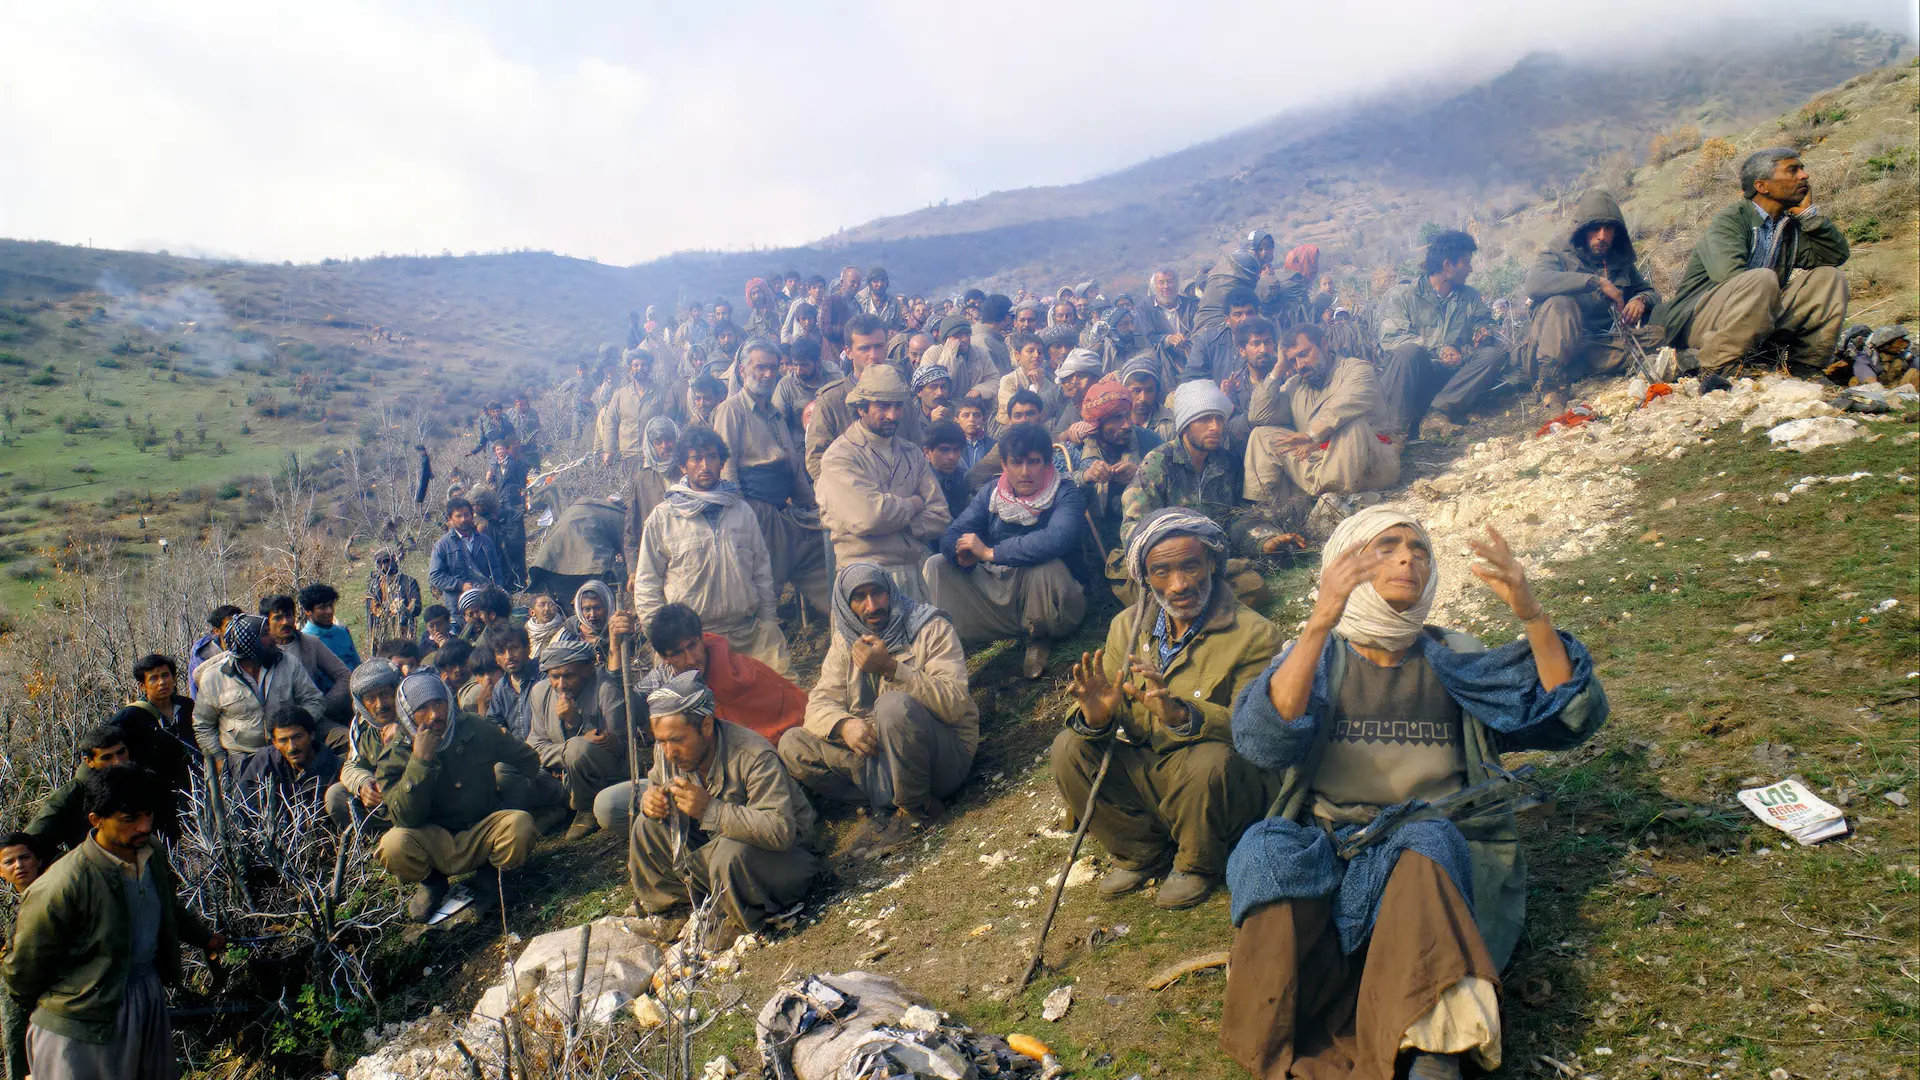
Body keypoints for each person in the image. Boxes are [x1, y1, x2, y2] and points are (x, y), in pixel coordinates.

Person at [1219, 509, 1608, 1080]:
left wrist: (1531, 612)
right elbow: (1264, 738)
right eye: (1387, 546)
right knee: (1267, 852)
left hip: (1443, 841)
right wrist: (1322, 620)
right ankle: (1280, 1035)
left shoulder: (1453, 653)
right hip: (1330, 842)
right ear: (1345, 564)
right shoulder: (1318, 656)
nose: (1408, 558)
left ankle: (1436, 1048)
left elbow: (1569, 713)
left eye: (1418, 548)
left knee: (1424, 845)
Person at [1051, 509, 1282, 910]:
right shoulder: (1127, 627)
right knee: (1068, 747)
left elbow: (1258, 732)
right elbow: (1108, 711)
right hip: (1157, 772)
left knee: (1209, 759)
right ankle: (1141, 852)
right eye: (1161, 572)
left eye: (1190, 566)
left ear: (1211, 562)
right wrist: (1098, 716)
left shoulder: (1255, 635)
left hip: (1220, 784)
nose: (1178, 585)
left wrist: (1181, 715)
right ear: (1145, 576)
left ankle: (1197, 863)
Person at [2, 766, 223, 1080]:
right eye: (130, 818)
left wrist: (205, 937)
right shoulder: (63, 884)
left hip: (145, 998)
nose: (145, 826)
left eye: (148, 814)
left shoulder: (151, 854)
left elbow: (165, 905)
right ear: (96, 820)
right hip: (82, 1018)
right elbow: (23, 970)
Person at [779, 563, 976, 860]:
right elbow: (818, 703)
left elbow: (954, 704)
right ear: (846, 605)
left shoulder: (929, 628)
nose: (872, 606)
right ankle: (889, 800)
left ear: (891, 592)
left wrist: (892, 669)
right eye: (860, 598)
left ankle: (914, 811)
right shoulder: (846, 641)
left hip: (943, 757)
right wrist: (845, 725)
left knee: (893, 705)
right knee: (792, 744)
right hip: (881, 756)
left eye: (878, 593)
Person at [627, 672, 819, 949]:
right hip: (715, 853)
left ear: (706, 726)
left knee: (729, 853)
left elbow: (780, 830)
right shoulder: (667, 752)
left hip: (782, 860)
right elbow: (657, 782)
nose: (669, 753)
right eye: (661, 741)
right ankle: (679, 910)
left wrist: (709, 810)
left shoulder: (753, 755)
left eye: (677, 740)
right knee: (646, 828)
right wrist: (651, 801)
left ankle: (739, 918)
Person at [592, 605, 809, 832]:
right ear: (665, 658)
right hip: (682, 779)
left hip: (738, 783)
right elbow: (623, 714)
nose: (691, 658)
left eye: (693, 645)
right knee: (609, 805)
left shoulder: (742, 673)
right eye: (677, 653)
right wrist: (616, 652)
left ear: (701, 638)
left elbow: (787, 723)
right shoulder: (662, 682)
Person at [1652, 148, 1850, 375]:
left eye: (1802, 169)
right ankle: (1718, 364)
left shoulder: (1788, 227)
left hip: (1755, 316)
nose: (1804, 176)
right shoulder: (1731, 220)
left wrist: (1809, 216)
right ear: (1762, 187)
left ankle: (1806, 367)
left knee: (1830, 278)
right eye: (1792, 170)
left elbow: (1835, 256)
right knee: (1762, 279)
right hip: (1700, 321)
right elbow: (1728, 276)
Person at [371, 673, 545, 920]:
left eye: (439, 703)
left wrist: (511, 803)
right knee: (392, 845)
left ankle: (492, 874)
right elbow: (404, 818)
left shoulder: (476, 727)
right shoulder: (395, 755)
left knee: (519, 824)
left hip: (482, 829)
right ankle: (432, 883)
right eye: (423, 708)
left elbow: (527, 760)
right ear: (408, 714)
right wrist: (419, 762)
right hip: (433, 839)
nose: (435, 714)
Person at [927, 422, 1089, 678]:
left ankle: (1039, 636)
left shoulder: (1066, 493)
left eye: (1034, 462)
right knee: (937, 565)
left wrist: (991, 553)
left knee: (1046, 567)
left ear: (1048, 464)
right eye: (1016, 463)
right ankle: (948, 645)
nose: (1025, 472)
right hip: (1004, 586)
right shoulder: (992, 493)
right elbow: (952, 532)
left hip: (1050, 596)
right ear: (1003, 464)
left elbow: (1056, 539)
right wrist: (960, 555)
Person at [634, 425, 791, 675]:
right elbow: (647, 584)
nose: (705, 465)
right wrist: (663, 640)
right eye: (696, 458)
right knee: (690, 712)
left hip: (747, 635)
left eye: (712, 457)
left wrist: (768, 623)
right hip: (691, 643)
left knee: (783, 696)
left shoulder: (741, 512)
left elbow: (761, 573)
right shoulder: (664, 517)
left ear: (722, 462)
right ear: (683, 466)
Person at [715, 338, 834, 617]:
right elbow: (727, 468)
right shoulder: (731, 411)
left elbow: (792, 465)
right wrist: (740, 516)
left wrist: (812, 505)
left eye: (773, 368)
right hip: (755, 509)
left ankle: (847, 621)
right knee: (764, 586)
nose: (768, 374)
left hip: (785, 509)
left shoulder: (775, 413)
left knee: (820, 558)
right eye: (760, 368)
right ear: (743, 371)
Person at [817, 366, 952, 601]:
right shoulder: (840, 456)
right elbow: (868, 517)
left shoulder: (912, 453)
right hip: (862, 585)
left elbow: (940, 516)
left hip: (912, 577)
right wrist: (913, 504)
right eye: (882, 406)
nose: (892, 415)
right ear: (861, 407)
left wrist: (892, 526)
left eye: (898, 406)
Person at [1524, 189, 1664, 410]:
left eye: (1608, 229)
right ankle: (1551, 389)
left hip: (1595, 345)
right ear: (1582, 230)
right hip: (1552, 347)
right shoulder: (1558, 252)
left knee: (1662, 334)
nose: (1602, 236)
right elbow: (1534, 283)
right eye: (1595, 228)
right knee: (1560, 303)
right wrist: (1595, 282)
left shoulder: (1619, 259)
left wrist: (1641, 299)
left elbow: (1650, 291)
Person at [1245, 323, 1401, 506]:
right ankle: (1260, 511)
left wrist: (1312, 435)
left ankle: (1333, 500)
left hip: (1368, 464)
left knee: (1352, 423)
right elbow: (1258, 415)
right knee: (1262, 435)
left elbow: (1342, 407)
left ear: (1324, 345)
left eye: (1304, 354)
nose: (1300, 365)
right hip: (1318, 465)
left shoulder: (1356, 369)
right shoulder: (1296, 384)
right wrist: (1278, 368)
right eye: (1293, 361)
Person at [1377, 230, 1508, 439]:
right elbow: (1393, 339)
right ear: (1448, 266)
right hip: (1413, 378)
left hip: (1451, 381)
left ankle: (1437, 414)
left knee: (1491, 355)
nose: (1470, 269)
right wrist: (1440, 350)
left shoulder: (1470, 297)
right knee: (1408, 351)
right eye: (1465, 263)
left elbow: (1483, 320)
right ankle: (1391, 435)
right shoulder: (1400, 296)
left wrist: (1482, 333)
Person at [193, 614, 333, 771]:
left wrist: (296, 730)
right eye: (266, 633)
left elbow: (314, 700)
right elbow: (203, 725)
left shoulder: (287, 662)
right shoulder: (214, 677)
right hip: (241, 757)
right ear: (249, 642)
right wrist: (218, 758)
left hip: (288, 750)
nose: (273, 636)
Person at [524, 640, 633, 840]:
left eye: (568, 676)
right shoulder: (540, 692)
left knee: (577, 749)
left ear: (587, 670)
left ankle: (586, 807)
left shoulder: (606, 689)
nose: (561, 684)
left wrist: (575, 723)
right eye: (554, 677)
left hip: (604, 775)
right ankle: (556, 807)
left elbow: (620, 750)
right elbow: (535, 748)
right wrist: (566, 755)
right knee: (508, 771)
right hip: (557, 773)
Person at [806, 314, 925, 478]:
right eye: (864, 348)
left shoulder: (901, 396)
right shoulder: (831, 399)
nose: (874, 355)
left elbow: (916, 449)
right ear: (848, 352)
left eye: (879, 347)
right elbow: (816, 459)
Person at [111, 654, 198, 824]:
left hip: (193, 785)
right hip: (155, 792)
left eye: (166, 675)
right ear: (142, 685)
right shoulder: (129, 717)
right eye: (153, 678)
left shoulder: (187, 706)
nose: (162, 682)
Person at [24, 724, 137, 856]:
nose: (117, 761)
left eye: (121, 752)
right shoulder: (71, 795)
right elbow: (28, 844)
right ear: (89, 761)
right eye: (107, 758)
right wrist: (72, 864)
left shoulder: (137, 780)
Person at [327, 659, 404, 831]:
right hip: (382, 801)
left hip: (412, 798)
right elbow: (351, 765)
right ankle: (368, 841)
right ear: (361, 703)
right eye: (370, 698)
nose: (380, 704)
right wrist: (363, 784)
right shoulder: (360, 725)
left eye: (385, 694)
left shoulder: (414, 716)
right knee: (336, 795)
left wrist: (403, 735)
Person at [262, 593, 353, 724]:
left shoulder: (310, 643)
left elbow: (344, 675)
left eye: (288, 615)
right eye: (278, 618)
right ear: (266, 622)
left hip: (314, 719)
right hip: (278, 726)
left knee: (345, 740)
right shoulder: (261, 651)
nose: (285, 622)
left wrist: (324, 705)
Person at [233, 710, 341, 815]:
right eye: (283, 740)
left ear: (311, 735)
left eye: (297, 737)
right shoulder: (265, 761)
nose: (292, 747)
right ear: (274, 743)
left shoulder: (334, 766)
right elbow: (245, 807)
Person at [527, 493, 627, 604]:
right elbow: (628, 548)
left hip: (552, 562)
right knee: (598, 605)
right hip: (591, 565)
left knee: (569, 606)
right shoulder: (619, 515)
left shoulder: (577, 508)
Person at [427, 497, 507, 634]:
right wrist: (460, 585)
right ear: (450, 519)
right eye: (458, 516)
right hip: (459, 607)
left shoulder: (485, 541)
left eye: (466, 514)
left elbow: (496, 569)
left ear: (472, 515)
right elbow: (435, 576)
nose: (463, 519)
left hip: (487, 604)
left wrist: (497, 590)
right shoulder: (442, 545)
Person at [596, 348, 669, 471]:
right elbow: (610, 423)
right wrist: (608, 450)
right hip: (627, 458)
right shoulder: (620, 395)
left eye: (643, 365)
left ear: (650, 368)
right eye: (635, 365)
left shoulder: (662, 393)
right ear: (630, 369)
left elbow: (668, 424)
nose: (640, 368)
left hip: (653, 458)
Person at [1194, 229, 1277, 330]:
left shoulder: (1262, 269)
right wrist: (1264, 281)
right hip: (1216, 328)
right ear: (1252, 249)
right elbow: (1248, 297)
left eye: (1268, 248)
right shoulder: (1242, 265)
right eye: (1260, 249)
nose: (1265, 253)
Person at [994, 331, 1065, 432]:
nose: (1036, 355)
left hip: (1037, 429)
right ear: (1017, 355)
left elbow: (1046, 414)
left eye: (1040, 352)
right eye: (1030, 351)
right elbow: (1015, 411)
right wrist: (1035, 389)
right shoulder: (1009, 380)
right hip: (1008, 429)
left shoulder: (1048, 382)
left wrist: (1040, 386)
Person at [296, 582, 360, 671]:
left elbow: (357, 664)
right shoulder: (303, 641)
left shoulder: (342, 632)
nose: (329, 611)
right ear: (308, 611)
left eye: (331, 605)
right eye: (322, 607)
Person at [364, 551, 422, 641]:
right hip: (382, 632)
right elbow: (371, 614)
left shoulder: (409, 581)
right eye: (380, 562)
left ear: (394, 560)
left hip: (404, 630)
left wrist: (403, 610)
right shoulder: (374, 585)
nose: (384, 565)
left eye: (386, 561)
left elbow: (417, 606)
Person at [921, 420, 973, 521]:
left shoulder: (966, 479)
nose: (951, 457)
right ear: (927, 452)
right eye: (944, 450)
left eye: (956, 450)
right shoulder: (917, 482)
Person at [1049, 348, 1105, 437]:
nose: (1073, 382)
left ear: (1096, 379)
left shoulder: (1108, 404)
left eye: (1081, 376)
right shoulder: (1073, 407)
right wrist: (1068, 433)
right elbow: (1055, 440)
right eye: (1067, 378)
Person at [187, 604, 243, 687]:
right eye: (229, 625)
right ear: (217, 631)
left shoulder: (250, 645)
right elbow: (199, 685)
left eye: (239, 623)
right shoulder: (203, 651)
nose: (235, 629)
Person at [955, 395, 995, 473]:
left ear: (984, 419)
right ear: (956, 420)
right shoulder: (952, 446)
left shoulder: (994, 446)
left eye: (977, 415)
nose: (972, 419)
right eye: (965, 416)